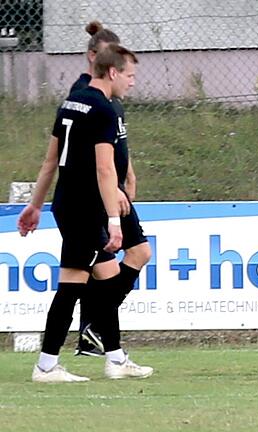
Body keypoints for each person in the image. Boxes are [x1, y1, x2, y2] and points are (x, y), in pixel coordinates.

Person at [18, 43, 153, 382]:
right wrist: (112, 221)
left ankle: (116, 359)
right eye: (129, 75)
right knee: (71, 286)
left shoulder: (71, 103)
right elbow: (104, 170)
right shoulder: (102, 110)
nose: (132, 82)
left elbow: (51, 160)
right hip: (86, 208)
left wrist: (36, 204)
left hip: (70, 203)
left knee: (107, 282)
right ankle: (46, 366)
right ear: (112, 72)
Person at [68, 21, 152, 357]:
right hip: (99, 192)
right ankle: (95, 330)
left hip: (113, 185)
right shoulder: (85, 96)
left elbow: (116, 140)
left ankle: (94, 329)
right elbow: (87, 150)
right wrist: (112, 186)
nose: (126, 77)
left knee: (132, 255)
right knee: (103, 266)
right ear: (95, 59)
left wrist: (127, 173)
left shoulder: (112, 96)